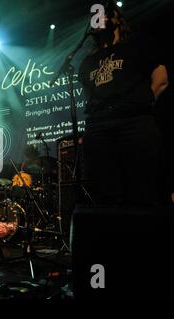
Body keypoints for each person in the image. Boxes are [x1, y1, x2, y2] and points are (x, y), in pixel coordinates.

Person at [79, 2, 169, 206]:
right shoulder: (87, 62)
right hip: (99, 127)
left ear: (117, 18)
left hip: (134, 122)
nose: (99, 17)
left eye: (104, 13)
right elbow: (89, 96)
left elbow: (161, 79)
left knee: (141, 189)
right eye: (95, 15)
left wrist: (141, 104)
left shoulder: (137, 45)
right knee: (105, 194)